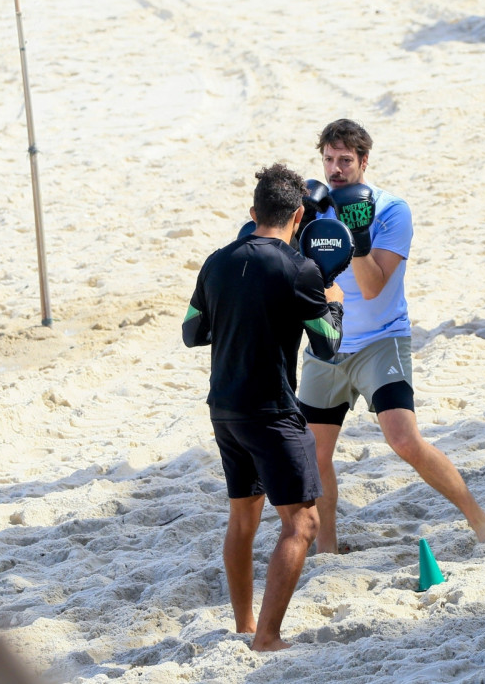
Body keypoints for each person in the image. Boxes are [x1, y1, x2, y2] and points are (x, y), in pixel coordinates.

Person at [297, 119, 485, 554]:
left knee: (404, 440)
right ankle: (329, 552)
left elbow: (373, 286)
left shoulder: (392, 210)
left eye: (345, 160)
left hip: (381, 340)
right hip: (329, 342)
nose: (336, 169)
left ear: (364, 161)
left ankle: (478, 518)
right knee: (315, 458)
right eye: (329, 159)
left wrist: (354, 234)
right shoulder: (316, 212)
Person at [182, 163, 345, 652]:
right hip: (271, 411)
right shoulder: (301, 270)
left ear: (253, 213)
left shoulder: (216, 261)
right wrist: (332, 300)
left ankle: (245, 624)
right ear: (299, 216)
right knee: (303, 523)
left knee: (243, 520)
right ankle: (268, 638)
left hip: (224, 408)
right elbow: (327, 344)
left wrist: (237, 315)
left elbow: (193, 332)